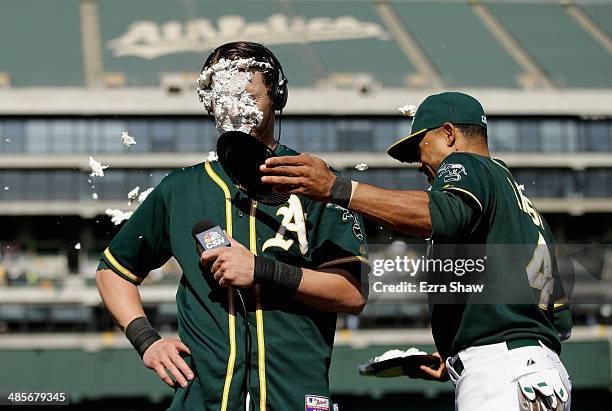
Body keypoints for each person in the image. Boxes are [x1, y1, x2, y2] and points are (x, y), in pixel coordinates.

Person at [96, 41, 369, 411]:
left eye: (247, 94)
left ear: (278, 95)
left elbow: (351, 294)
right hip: (201, 401)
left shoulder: (316, 181)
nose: (234, 107)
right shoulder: (181, 189)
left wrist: (262, 270)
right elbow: (114, 272)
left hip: (294, 399)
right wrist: (147, 340)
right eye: (223, 97)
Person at [261, 92, 572, 410]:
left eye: (420, 147)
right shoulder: (521, 203)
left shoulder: (467, 164)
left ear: (449, 134)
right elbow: (559, 321)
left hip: (503, 378)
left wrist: (335, 188)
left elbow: (438, 214)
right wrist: (460, 352)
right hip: (535, 372)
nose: (419, 164)